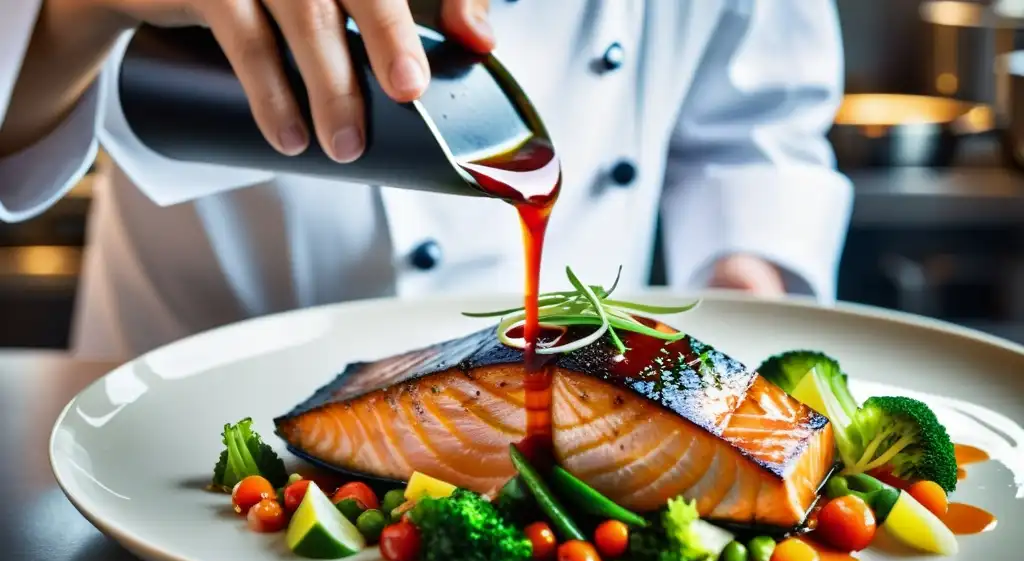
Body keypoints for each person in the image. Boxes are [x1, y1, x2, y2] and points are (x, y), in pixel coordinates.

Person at [0, 0, 853, 360]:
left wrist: (748, 301)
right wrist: (77, 16)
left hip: (568, 440)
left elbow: (752, 128)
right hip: (169, 440)